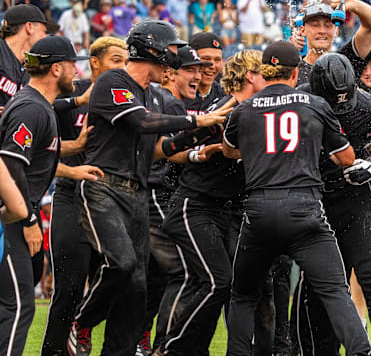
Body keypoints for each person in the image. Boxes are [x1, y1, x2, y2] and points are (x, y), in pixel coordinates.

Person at [65, 20, 228, 356]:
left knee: (137, 289)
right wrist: (196, 121)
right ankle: (81, 323)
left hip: (136, 192)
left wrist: (203, 133)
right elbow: (139, 121)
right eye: (170, 49)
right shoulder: (113, 80)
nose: (174, 56)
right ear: (152, 49)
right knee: (121, 264)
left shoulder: (153, 94)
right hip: (103, 187)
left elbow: (157, 149)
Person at [223, 40, 371, 356]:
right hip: (304, 208)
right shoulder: (314, 104)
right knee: (334, 291)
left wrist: (257, 151)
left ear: (264, 71)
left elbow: (227, 149)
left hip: (259, 210)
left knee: (243, 296)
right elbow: (346, 158)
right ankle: (359, 351)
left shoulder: (244, 109)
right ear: (294, 74)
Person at [294, 53, 371, 355]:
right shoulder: (297, 103)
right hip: (314, 200)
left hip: (355, 198)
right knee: (317, 285)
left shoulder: (366, 104)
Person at [0, 35, 89, 356]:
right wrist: (29, 220)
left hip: (16, 217)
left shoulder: (40, 106)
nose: (76, 74)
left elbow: (38, 159)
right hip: (9, 220)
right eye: (72, 66)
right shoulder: (31, 109)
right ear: (56, 69)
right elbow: (10, 168)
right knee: (19, 306)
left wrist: (75, 160)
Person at [41, 36, 128, 356]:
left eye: (125, 61)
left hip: (110, 198)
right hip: (70, 195)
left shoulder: (126, 98)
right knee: (70, 287)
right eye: (115, 60)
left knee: (120, 275)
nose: (122, 67)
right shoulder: (73, 92)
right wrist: (79, 102)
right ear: (94, 62)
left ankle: (85, 329)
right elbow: (38, 106)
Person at [150, 46, 239, 356]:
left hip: (193, 200)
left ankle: (173, 347)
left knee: (190, 278)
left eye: (203, 68)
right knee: (187, 275)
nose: (199, 73)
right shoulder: (171, 103)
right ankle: (164, 346)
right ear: (170, 73)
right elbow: (163, 150)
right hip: (167, 195)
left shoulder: (205, 105)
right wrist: (194, 152)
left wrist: (195, 152)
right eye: (191, 68)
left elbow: (177, 147)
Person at [293, 0, 371, 85]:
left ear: (336, 31)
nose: (322, 31)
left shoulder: (345, 62)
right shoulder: (293, 71)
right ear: (302, 30)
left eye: (328, 25)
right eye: (315, 25)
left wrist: (354, 5)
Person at [0, 4, 56, 111]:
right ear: (29, 27)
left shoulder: (30, 67)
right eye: (44, 32)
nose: (46, 37)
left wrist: (77, 101)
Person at [184, 32, 226, 115]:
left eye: (217, 60)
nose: (212, 65)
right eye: (206, 59)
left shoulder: (224, 96)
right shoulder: (177, 93)